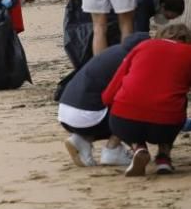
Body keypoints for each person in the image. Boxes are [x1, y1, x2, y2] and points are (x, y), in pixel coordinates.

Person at [103, 24, 191, 176]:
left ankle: (138, 147)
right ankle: (164, 158)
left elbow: (108, 96)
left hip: (124, 121)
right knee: (176, 101)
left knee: (126, 109)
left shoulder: (142, 46)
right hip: (165, 125)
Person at [58, 33, 149, 168]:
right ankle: (112, 150)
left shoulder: (113, 51)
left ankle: (81, 139)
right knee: (134, 110)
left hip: (64, 113)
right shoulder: (132, 60)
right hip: (88, 116)